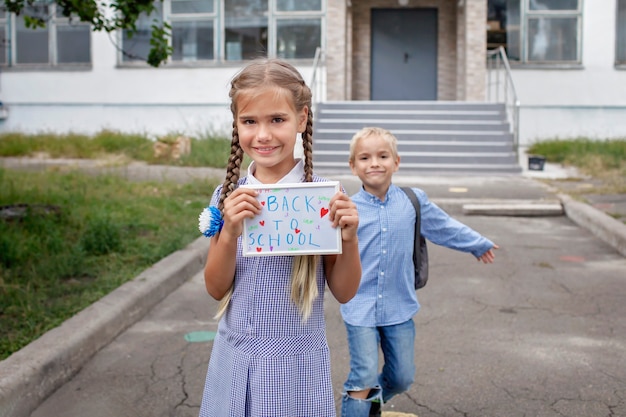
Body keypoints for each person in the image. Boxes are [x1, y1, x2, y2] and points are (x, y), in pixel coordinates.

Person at [198, 58, 362, 417]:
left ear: (301, 119)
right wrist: (230, 234)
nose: (263, 135)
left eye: (277, 119)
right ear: (236, 124)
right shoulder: (228, 195)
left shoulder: (324, 198)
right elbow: (214, 288)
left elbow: (346, 292)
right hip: (235, 355)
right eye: (249, 121)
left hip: (296, 366)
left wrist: (349, 239)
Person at [341, 126, 499, 417]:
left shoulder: (413, 202)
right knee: (363, 376)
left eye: (383, 156)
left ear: (396, 162)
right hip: (359, 306)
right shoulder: (347, 207)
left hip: (399, 305)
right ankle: (358, 408)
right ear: (353, 166)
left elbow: (444, 227)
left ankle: (367, 406)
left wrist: (477, 244)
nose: (374, 163)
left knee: (402, 378)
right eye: (364, 158)